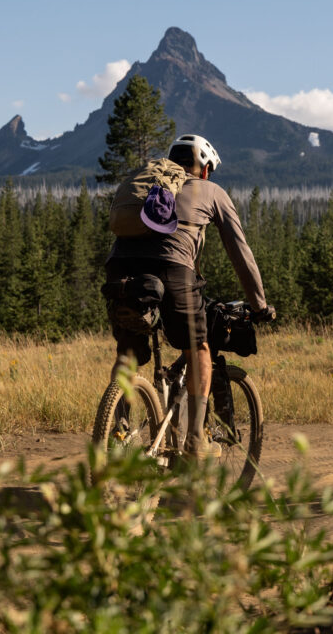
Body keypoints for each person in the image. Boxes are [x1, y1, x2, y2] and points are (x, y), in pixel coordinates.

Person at [105, 134, 274, 458]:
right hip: (173, 271)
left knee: (128, 352)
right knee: (199, 348)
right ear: (205, 168)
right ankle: (196, 439)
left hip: (120, 270)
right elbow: (240, 253)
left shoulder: (148, 183)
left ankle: (118, 433)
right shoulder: (211, 191)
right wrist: (260, 305)